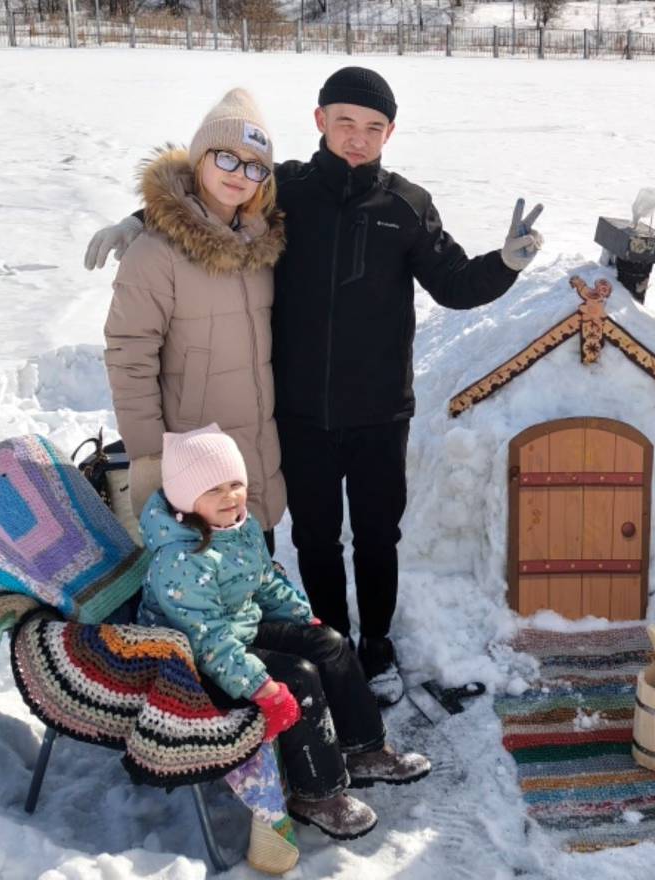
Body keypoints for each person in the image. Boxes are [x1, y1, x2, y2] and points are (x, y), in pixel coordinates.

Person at [87, 67, 544, 705]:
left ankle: (377, 646)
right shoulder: (286, 191)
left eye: (373, 128)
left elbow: (454, 284)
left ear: (390, 133)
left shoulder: (407, 206)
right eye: (346, 122)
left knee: (380, 535)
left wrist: (507, 263)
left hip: (382, 412)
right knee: (315, 539)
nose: (357, 139)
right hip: (298, 413)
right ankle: (330, 643)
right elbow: (215, 201)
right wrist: (142, 220)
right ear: (320, 120)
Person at [138, 425, 432, 841]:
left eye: (236, 483)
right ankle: (316, 792)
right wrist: (260, 687)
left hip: (239, 630)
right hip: (194, 663)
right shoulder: (180, 559)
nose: (231, 496)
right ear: (185, 498)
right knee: (296, 676)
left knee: (328, 644)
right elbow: (207, 641)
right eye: (214, 489)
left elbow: (265, 583)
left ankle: (363, 748)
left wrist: (302, 618)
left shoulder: (240, 527)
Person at [103, 88, 287, 554]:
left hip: (253, 461)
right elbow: (129, 355)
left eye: (254, 166)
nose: (238, 175)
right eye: (226, 157)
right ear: (199, 157)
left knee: (250, 589)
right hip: (190, 464)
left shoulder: (261, 244)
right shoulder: (155, 251)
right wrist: (151, 457)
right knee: (197, 601)